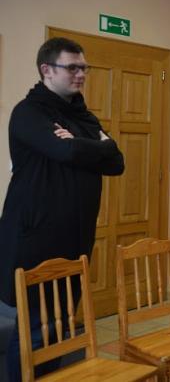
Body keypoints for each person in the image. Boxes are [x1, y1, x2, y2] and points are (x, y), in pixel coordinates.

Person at [0, 37, 124, 380]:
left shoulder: (82, 116)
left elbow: (117, 162)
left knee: (59, 328)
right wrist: (99, 146)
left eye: (84, 67)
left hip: (74, 240)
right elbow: (64, 152)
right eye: (72, 67)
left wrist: (87, 143)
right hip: (36, 239)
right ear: (47, 70)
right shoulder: (28, 113)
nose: (81, 74)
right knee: (35, 330)